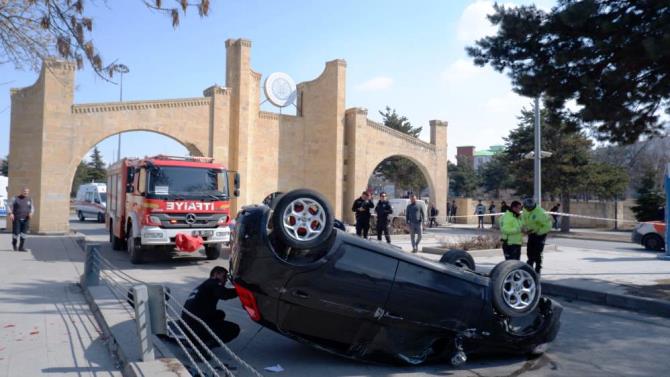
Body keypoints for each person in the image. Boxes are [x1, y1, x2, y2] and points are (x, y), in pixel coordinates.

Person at [181, 266, 240, 350]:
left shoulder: (206, 284)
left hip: (187, 326)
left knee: (220, 314)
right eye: (224, 277)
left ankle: (196, 340)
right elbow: (225, 294)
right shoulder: (213, 283)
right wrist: (240, 290)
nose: (226, 280)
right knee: (234, 329)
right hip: (195, 327)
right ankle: (202, 348)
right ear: (216, 274)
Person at [521, 198, 553, 275]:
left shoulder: (541, 213)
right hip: (531, 232)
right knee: (529, 251)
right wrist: (524, 228)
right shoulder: (525, 210)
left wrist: (538, 232)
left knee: (537, 252)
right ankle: (530, 266)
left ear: (532, 207)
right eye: (525, 208)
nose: (526, 209)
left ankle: (538, 268)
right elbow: (524, 219)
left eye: (528, 208)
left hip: (540, 234)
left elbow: (548, 226)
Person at [8, 187, 34, 252]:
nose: (26, 193)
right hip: (17, 218)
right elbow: (8, 205)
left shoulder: (29, 199)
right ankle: (14, 244)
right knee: (16, 233)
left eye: (27, 192)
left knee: (24, 233)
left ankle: (21, 247)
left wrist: (31, 213)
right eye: (25, 191)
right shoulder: (15, 198)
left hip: (26, 219)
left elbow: (32, 208)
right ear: (21, 191)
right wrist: (10, 213)